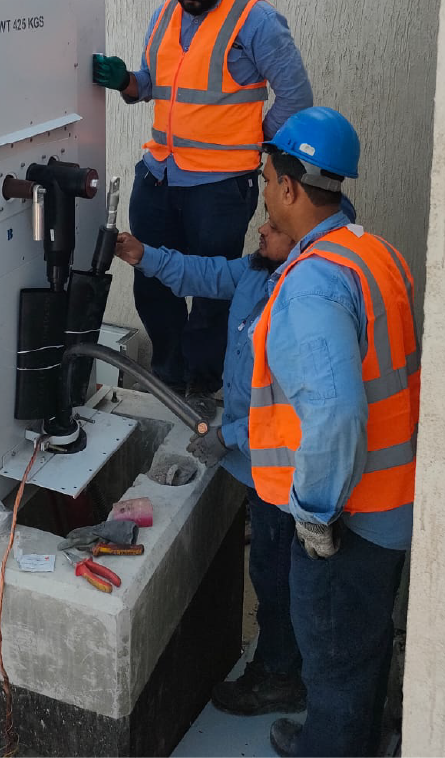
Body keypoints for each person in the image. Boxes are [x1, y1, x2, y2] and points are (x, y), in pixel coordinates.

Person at [93, 0, 312, 419]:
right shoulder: (165, 16)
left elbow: (296, 97)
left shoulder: (255, 20)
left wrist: (253, 139)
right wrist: (125, 81)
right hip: (159, 176)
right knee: (151, 280)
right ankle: (168, 376)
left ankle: (203, 385)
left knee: (212, 295)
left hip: (219, 188)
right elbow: (152, 84)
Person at [249, 106, 420, 758]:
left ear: (290, 188)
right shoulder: (373, 252)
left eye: (268, 180)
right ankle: (345, 737)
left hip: (348, 516)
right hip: (392, 500)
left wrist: (315, 513)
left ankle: (329, 746)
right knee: (363, 646)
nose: (266, 192)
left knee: (333, 658)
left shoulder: (312, 285)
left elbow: (337, 411)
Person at [114, 220, 306, 716]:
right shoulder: (258, 271)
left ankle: (279, 676)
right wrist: (142, 255)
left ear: (302, 234)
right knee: (271, 570)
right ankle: (283, 662)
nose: (261, 228)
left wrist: (227, 437)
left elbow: (292, 410)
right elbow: (205, 274)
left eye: (275, 226)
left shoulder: (304, 298)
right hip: (259, 459)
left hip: (284, 471)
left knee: (277, 576)